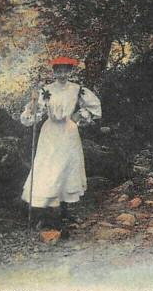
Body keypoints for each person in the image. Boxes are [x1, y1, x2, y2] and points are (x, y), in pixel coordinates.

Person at [20, 56, 101, 234]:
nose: (63, 74)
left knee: (66, 169)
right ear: (54, 72)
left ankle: (64, 212)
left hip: (69, 132)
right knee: (49, 169)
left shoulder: (77, 90)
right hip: (50, 132)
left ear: (71, 72)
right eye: (59, 71)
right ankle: (47, 214)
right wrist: (33, 107)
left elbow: (95, 107)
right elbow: (33, 114)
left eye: (66, 71)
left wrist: (79, 116)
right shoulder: (46, 90)